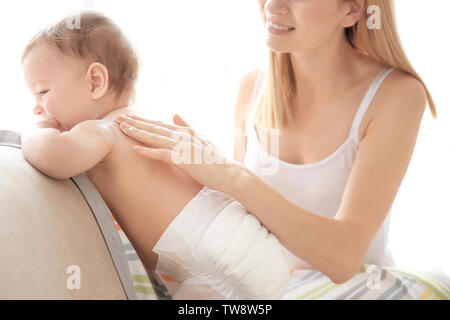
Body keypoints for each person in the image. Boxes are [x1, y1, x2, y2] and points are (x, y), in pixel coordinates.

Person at [114, 0, 436, 290]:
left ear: (351, 10)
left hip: (360, 286)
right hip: (268, 285)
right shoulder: (252, 89)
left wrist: (234, 177)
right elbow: (237, 218)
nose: (273, 5)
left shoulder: (396, 95)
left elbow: (344, 258)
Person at [19, 11, 293, 300]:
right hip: (242, 248)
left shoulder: (104, 130)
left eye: (43, 92)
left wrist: (33, 129)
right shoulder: (138, 120)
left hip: (217, 257)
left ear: (95, 82)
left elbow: (53, 157)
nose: (38, 108)